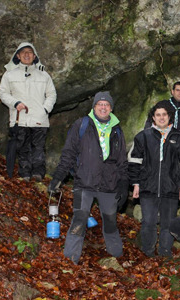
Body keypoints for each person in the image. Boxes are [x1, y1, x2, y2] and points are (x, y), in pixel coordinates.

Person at [48, 91, 128, 264]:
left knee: (110, 221)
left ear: (111, 108)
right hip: (84, 183)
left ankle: (117, 258)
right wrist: (57, 178)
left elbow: (122, 160)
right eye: (100, 104)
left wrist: (124, 185)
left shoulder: (117, 129)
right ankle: (70, 259)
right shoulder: (82, 124)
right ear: (94, 107)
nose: (103, 107)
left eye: (107, 104)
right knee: (79, 220)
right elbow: (69, 153)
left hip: (109, 184)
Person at [128, 102, 180, 257]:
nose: (161, 118)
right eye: (158, 115)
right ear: (153, 117)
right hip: (148, 188)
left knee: (168, 224)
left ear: (169, 116)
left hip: (171, 188)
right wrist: (136, 184)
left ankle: (165, 253)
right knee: (148, 223)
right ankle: (148, 253)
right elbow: (134, 162)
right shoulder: (143, 136)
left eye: (164, 114)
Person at [0, 42, 57, 180]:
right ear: (18, 56)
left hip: (39, 119)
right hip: (20, 118)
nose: (26, 54)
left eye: (29, 52)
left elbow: (52, 94)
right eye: (23, 52)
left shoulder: (44, 75)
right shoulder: (9, 75)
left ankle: (38, 173)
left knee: (38, 147)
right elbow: (3, 93)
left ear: (34, 56)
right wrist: (15, 103)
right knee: (22, 147)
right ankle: (24, 173)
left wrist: (44, 109)